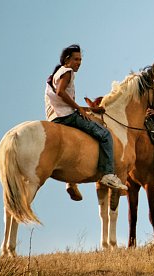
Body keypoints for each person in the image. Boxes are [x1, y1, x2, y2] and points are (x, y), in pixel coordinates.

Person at [45, 44, 128, 198]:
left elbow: (60, 99)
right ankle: (108, 174)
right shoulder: (67, 72)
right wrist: (80, 109)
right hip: (66, 116)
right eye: (76, 59)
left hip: (54, 117)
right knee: (104, 134)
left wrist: (90, 109)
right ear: (67, 59)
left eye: (81, 60)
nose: (79, 63)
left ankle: (71, 181)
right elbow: (60, 92)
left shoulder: (56, 73)